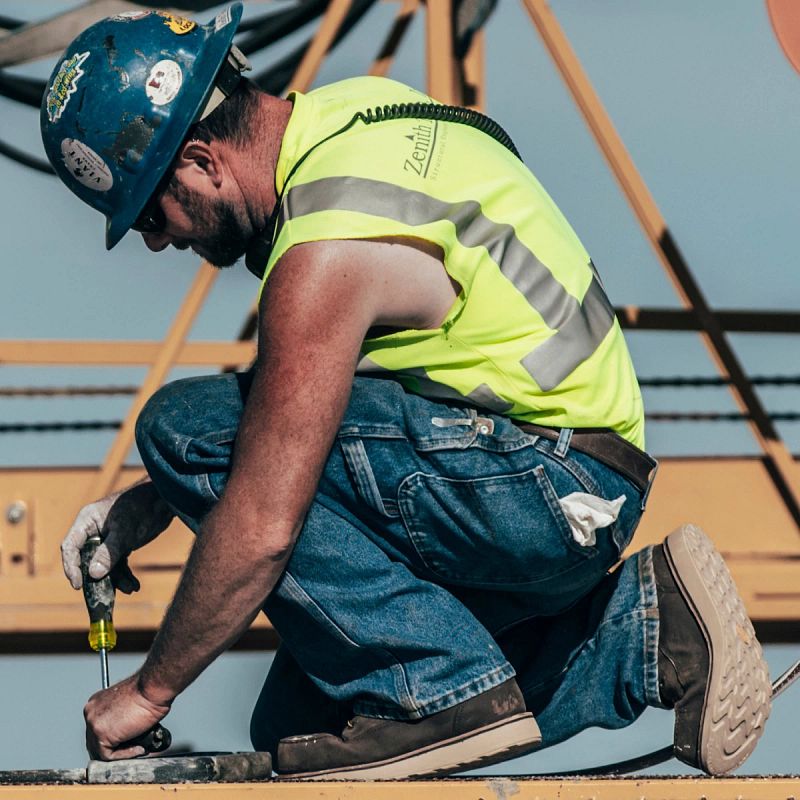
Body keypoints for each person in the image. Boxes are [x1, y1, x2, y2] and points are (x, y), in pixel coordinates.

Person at [43, 4, 771, 780]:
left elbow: (262, 521)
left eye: (152, 211)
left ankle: (441, 690)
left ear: (202, 161)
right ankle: (645, 630)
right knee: (303, 727)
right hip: (565, 478)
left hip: (539, 481)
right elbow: (312, 403)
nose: (159, 239)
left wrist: (149, 693)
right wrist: (150, 502)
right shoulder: (353, 118)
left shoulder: (323, 249)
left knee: (178, 424)